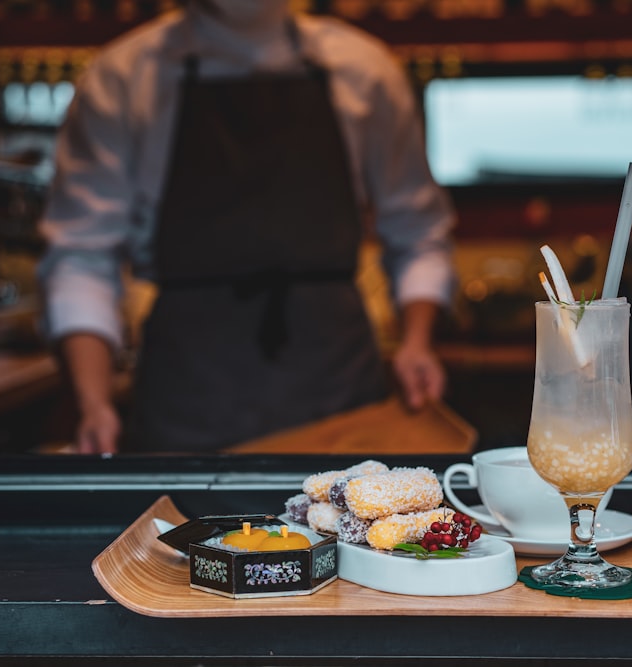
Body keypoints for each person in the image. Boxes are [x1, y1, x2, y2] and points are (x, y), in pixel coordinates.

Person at [37, 0, 457, 454]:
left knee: (341, 522)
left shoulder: (364, 69)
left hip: (336, 384)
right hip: (188, 392)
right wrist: (93, 402)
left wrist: (416, 342)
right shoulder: (121, 75)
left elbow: (417, 228)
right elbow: (81, 255)